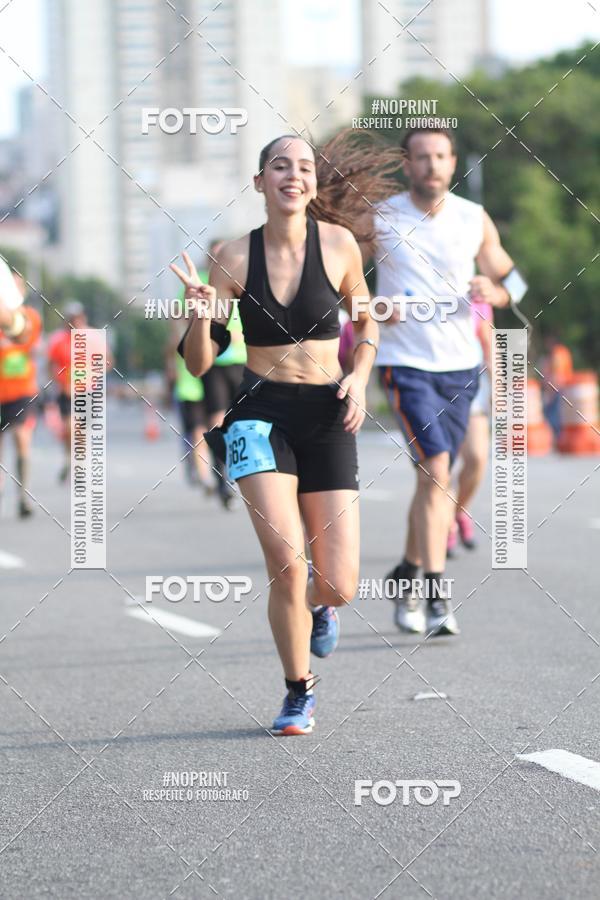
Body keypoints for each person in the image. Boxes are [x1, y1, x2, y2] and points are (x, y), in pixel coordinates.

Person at [172, 131, 401, 735]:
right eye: (279, 166)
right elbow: (200, 362)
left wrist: (359, 372)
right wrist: (199, 314)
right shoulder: (231, 257)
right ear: (259, 183)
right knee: (286, 563)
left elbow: (366, 320)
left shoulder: (341, 245)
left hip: (328, 414)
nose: (291, 175)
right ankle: (298, 691)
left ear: (314, 184)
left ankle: (324, 610)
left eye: (303, 167)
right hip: (258, 410)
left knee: (338, 584)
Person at [368, 126, 522, 637]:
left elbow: (514, 280)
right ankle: (434, 594)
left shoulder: (473, 219)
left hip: (460, 366)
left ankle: (407, 572)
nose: (432, 165)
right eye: (421, 157)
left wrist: (496, 291)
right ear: (406, 165)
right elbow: (338, 277)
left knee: (435, 480)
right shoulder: (382, 216)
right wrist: (367, 307)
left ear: (453, 163)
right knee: (436, 470)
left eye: (440, 156)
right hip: (404, 363)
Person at [197, 239, 248, 509]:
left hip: (241, 360)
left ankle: (242, 474)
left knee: (241, 421)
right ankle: (222, 478)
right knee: (217, 419)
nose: (221, 259)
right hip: (214, 360)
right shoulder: (201, 283)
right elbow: (188, 319)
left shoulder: (240, 275)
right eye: (215, 255)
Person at [447, 296, 493, 555]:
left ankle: (456, 512)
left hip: (471, 384)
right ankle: (443, 526)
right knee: (444, 466)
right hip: (433, 384)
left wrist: (497, 385)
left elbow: (487, 341)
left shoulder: (477, 295)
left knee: (476, 457)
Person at [0, 271, 42, 517]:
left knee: (21, 438)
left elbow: (23, 334)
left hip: (20, 392)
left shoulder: (30, 317)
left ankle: (23, 496)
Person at [47, 301, 88, 483]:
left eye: (78, 318)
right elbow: (50, 364)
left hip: (86, 392)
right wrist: (59, 381)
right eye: (72, 319)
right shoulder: (58, 340)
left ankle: (79, 464)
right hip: (66, 392)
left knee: (81, 431)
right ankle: (68, 458)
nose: (75, 322)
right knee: (70, 427)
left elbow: (107, 360)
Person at [540, 333, 573, 442]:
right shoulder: (563, 351)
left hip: (558, 388)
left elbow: (556, 374)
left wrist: (550, 392)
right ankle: (559, 439)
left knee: (552, 414)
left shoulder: (557, 353)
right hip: (563, 387)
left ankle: (558, 439)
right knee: (557, 414)